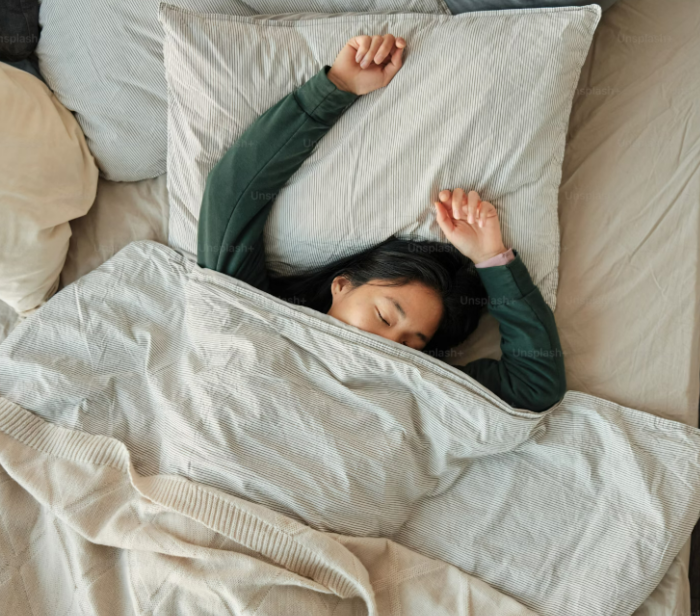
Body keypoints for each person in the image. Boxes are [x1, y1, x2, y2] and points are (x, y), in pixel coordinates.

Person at [197, 33, 566, 412]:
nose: (388, 346)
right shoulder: (262, 316)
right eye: (384, 316)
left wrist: (492, 258)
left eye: (412, 344)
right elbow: (232, 193)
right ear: (341, 285)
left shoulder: (416, 386)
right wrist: (335, 88)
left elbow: (535, 386)